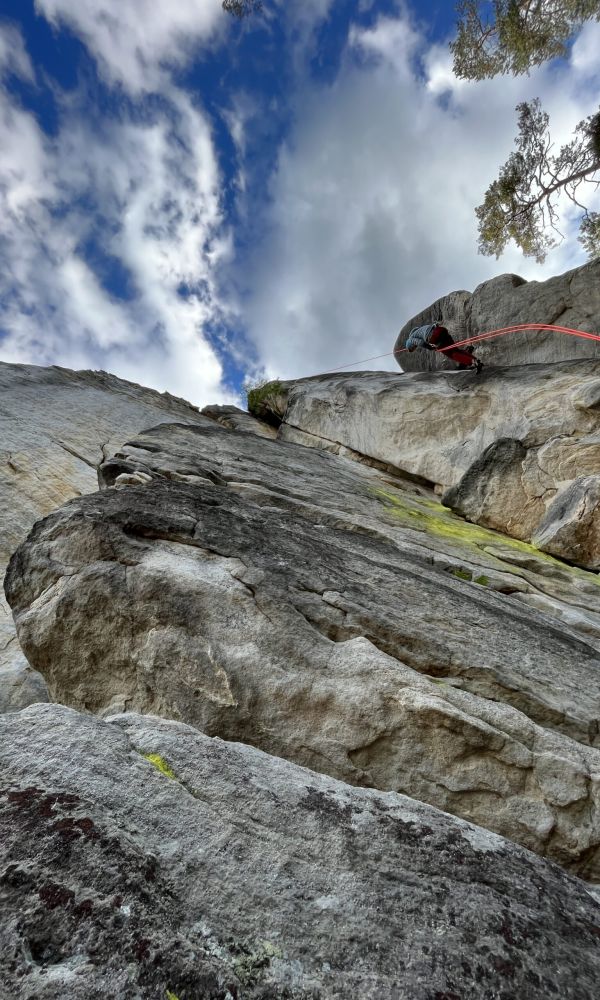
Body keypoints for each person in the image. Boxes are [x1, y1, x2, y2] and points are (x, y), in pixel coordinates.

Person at [405, 322, 483, 372]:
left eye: (413, 348)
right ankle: (475, 360)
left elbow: (420, 342)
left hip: (434, 337)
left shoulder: (411, 339)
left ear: (410, 345)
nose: (415, 348)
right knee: (456, 350)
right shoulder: (420, 330)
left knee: (453, 354)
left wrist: (430, 348)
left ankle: (473, 362)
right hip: (441, 330)